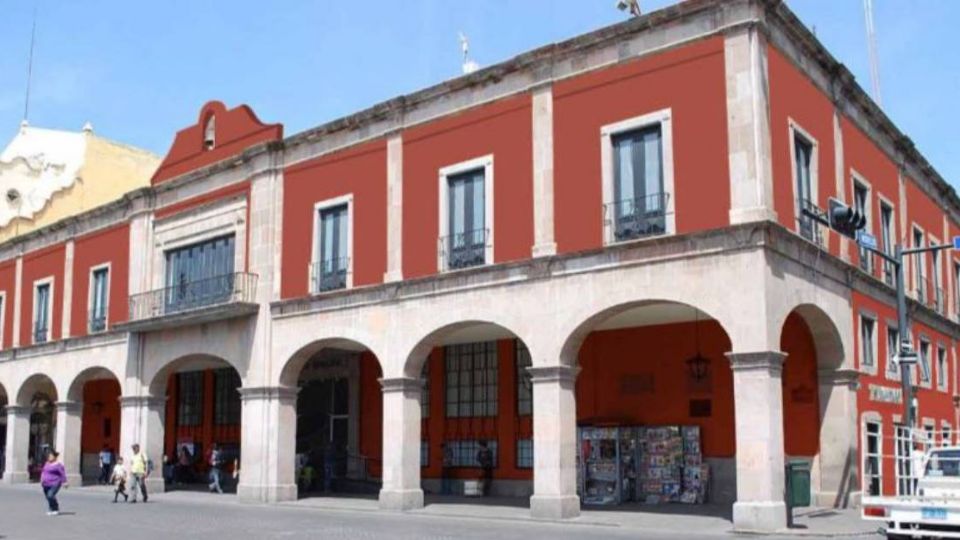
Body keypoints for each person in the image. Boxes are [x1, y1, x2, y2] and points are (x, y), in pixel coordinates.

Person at [40, 450, 68, 516]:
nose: (49, 457)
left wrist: (65, 482)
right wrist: (41, 479)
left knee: (50, 495)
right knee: (48, 497)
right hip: (46, 483)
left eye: (51, 456)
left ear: (55, 457)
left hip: (55, 483)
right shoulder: (47, 463)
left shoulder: (59, 465)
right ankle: (51, 509)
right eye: (49, 456)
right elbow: (43, 471)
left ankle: (55, 508)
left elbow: (62, 474)